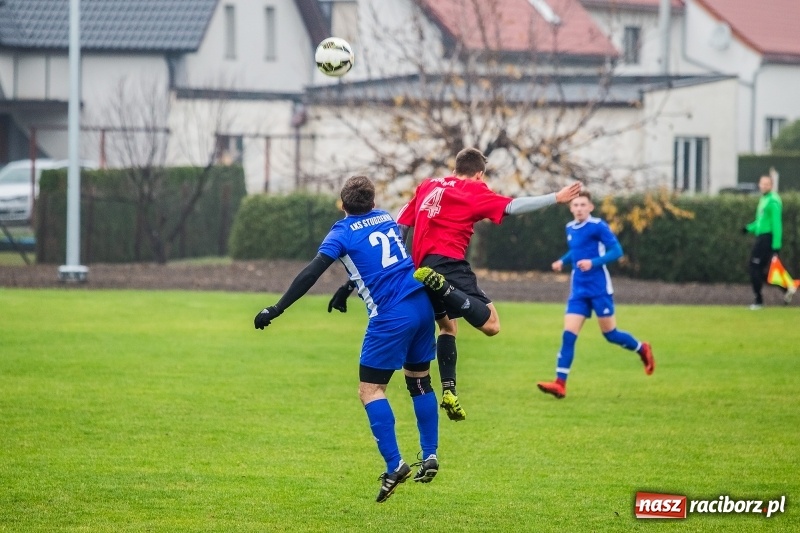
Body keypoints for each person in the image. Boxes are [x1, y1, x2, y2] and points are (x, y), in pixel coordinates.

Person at [330, 147, 581, 421]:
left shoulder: (428, 186)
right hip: (448, 265)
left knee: (448, 326)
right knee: (492, 325)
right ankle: (444, 287)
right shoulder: (474, 190)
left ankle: (449, 389)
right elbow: (512, 206)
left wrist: (351, 284)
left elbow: (399, 230)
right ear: (479, 174)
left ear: (454, 169)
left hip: (419, 267)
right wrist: (555, 198)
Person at [254, 175, 439, 503]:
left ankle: (395, 464)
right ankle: (430, 454)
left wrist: (277, 308)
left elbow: (311, 272)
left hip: (391, 316)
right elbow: (380, 261)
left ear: (342, 204)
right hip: (421, 305)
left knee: (370, 390)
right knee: (420, 381)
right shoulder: (385, 217)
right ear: (372, 199)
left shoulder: (340, 232)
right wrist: (348, 286)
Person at [536, 190, 655, 399]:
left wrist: (594, 262)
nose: (579, 208)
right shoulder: (570, 227)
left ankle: (642, 348)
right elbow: (577, 249)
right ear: (571, 208)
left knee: (610, 334)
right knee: (568, 336)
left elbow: (617, 251)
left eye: (583, 205)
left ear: (590, 207)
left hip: (599, 288)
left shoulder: (598, 226)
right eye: (576, 205)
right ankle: (560, 383)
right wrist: (562, 261)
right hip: (578, 291)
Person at [742, 174, 793, 309]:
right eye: (762, 183)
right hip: (762, 237)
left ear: (771, 185)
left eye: (767, 184)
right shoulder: (764, 199)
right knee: (763, 271)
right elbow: (760, 222)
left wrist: (776, 246)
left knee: (754, 266)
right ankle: (786, 288)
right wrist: (748, 228)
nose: (764, 186)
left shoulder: (773, 201)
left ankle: (758, 301)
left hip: (766, 239)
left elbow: (777, 224)